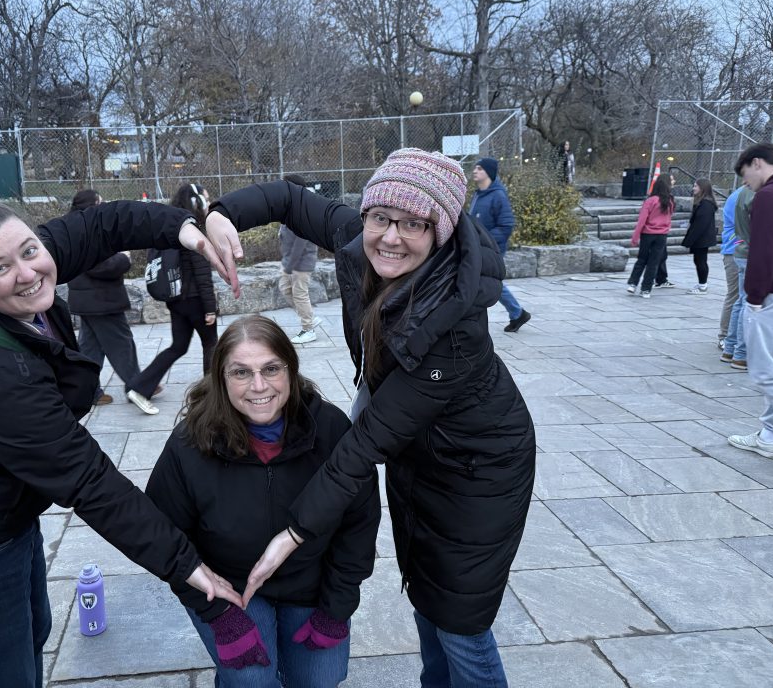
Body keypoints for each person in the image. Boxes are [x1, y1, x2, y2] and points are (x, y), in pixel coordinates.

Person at [0, 181, 241, 688]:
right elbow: (90, 481)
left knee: (32, 637)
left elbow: (104, 223)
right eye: (0, 268)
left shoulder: (26, 261)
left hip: (4, 516)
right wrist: (188, 568)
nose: (27, 273)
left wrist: (192, 230)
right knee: (6, 676)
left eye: (31, 250)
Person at [205, 148, 536, 687]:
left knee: (460, 620)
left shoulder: (454, 327)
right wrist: (222, 212)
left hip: (482, 470)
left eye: (414, 223)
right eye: (381, 217)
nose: (390, 235)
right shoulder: (363, 241)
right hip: (424, 453)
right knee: (428, 599)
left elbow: (365, 445)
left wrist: (291, 533)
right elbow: (290, 199)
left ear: (442, 231)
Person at [146, 315, 379, 686]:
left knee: (320, 679)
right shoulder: (189, 443)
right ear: (221, 377)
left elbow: (360, 521)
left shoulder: (331, 428)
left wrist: (336, 608)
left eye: (271, 369)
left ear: (291, 368)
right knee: (251, 680)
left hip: (312, 582)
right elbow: (164, 536)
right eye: (241, 372)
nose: (258, 386)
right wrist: (218, 613)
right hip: (230, 585)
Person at [727, 143, 773, 474]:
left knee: (766, 371)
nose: (747, 184)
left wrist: (753, 298)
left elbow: (763, 251)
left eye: (746, 176)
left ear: (757, 163)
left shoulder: (770, 197)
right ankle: (770, 436)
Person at [127, 183, 218, 415]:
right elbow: (202, 273)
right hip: (196, 300)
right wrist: (210, 308)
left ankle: (138, 387)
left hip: (176, 300)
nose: (208, 203)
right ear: (196, 201)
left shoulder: (171, 226)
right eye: (206, 199)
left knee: (178, 346)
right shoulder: (194, 230)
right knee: (211, 345)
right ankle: (209, 399)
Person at [65, 189, 147, 405]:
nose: (104, 205)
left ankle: (89, 392)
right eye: (100, 202)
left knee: (90, 348)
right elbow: (100, 265)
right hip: (100, 300)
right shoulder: (86, 229)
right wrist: (124, 258)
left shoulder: (74, 227)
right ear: (91, 205)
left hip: (89, 300)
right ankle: (137, 386)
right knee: (121, 343)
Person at [469, 156, 532, 333]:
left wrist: (485, 240)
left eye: (480, 169)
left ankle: (516, 312)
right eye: (475, 168)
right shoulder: (478, 195)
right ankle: (516, 312)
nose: (475, 171)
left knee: (486, 282)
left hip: (492, 249)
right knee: (484, 281)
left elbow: (506, 225)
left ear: (488, 173)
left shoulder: (498, 195)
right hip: (478, 247)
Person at [279, 174, 322, 345]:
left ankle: (308, 329)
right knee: (285, 288)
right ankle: (309, 317)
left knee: (300, 294)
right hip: (290, 260)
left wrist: (290, 265)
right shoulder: (292, 207)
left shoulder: (302, 210)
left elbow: (301, 241)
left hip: (301, 262)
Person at [722, 185, 756, 370]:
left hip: (737, 250)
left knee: (738, 300)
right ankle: (736, 349)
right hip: (739, 250)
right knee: (739, 300)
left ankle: (730, 346)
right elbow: (739, 229)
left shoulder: (739, 193)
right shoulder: (747, 194)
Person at [626, 176, 675, 299]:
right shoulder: (669, 201)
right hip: (662, 235)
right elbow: (669, 219)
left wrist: (635, 237)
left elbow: (642, 220)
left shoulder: (650, 201)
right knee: (654, 263)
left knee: (642, 259)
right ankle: (646, 289)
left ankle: (633, 283)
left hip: (648, 234)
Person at [718, 185, 745, 350]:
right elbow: (743, 229)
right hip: (734, 252)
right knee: (735, 295)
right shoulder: (740, 196)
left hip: (740, 251)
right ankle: (725, 335)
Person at [681, 178, 718, 294]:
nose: (693, 188)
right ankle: (702, 283)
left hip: (702, 238)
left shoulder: (706, 204)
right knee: (698, 260)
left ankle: (703, 285)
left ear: (702, 188)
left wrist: (689, 240)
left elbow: (700, 224)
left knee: (701, 261)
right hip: (702, 238)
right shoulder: (702, 202)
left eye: (696, 186)